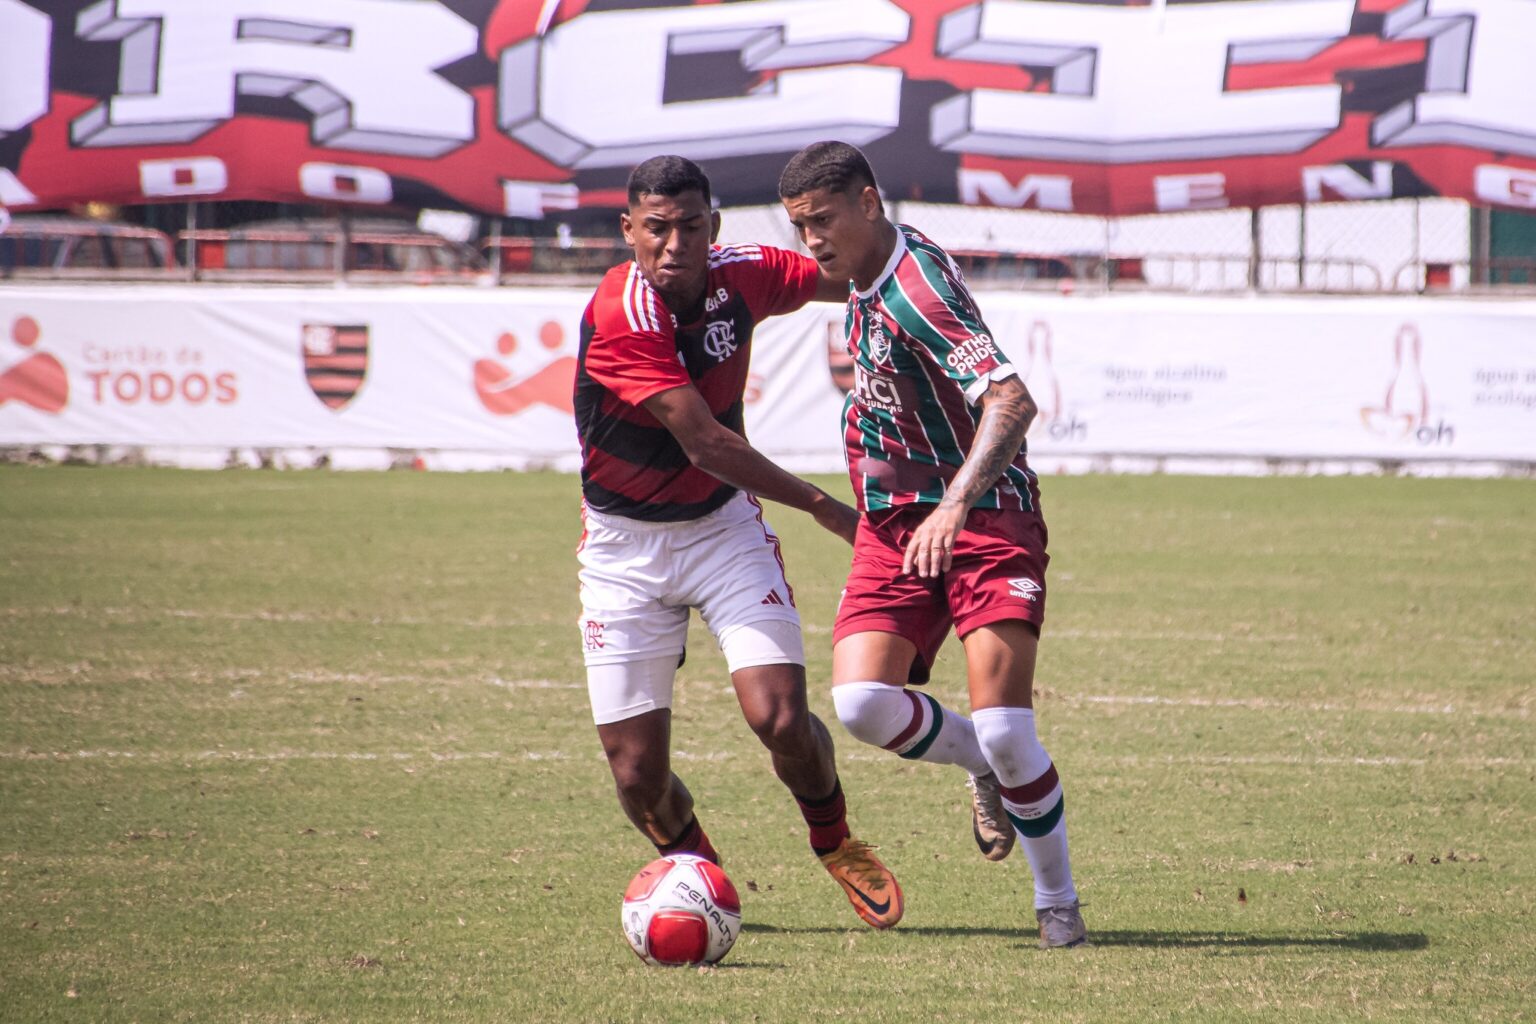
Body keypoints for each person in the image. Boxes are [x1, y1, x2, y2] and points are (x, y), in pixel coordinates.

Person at [573, 154, 903, 930]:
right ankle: (704, 884)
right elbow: (706, 444)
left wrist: (912, 281)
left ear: (713, 228)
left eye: (691, 227)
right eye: (657, 229)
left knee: (782, 719)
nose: (674, 244)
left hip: (723, 530)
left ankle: (836, 841)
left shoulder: (742, 272)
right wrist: (827, 509)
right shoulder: (622, 312)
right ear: (629, 231)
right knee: (635, 775)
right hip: (623, 552)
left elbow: (854, 269)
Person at [777, 141, 1086, 948]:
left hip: (982, 519)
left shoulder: (916, 288)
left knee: (1012, 729)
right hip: (895, 524)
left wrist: (955, 504)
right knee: (862, 705)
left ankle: (1056, 899)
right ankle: (977, 764)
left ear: (869, 203)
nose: (812, 240)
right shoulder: (862, 272)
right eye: (799, 225)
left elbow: (1014, 402)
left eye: (822, 220)